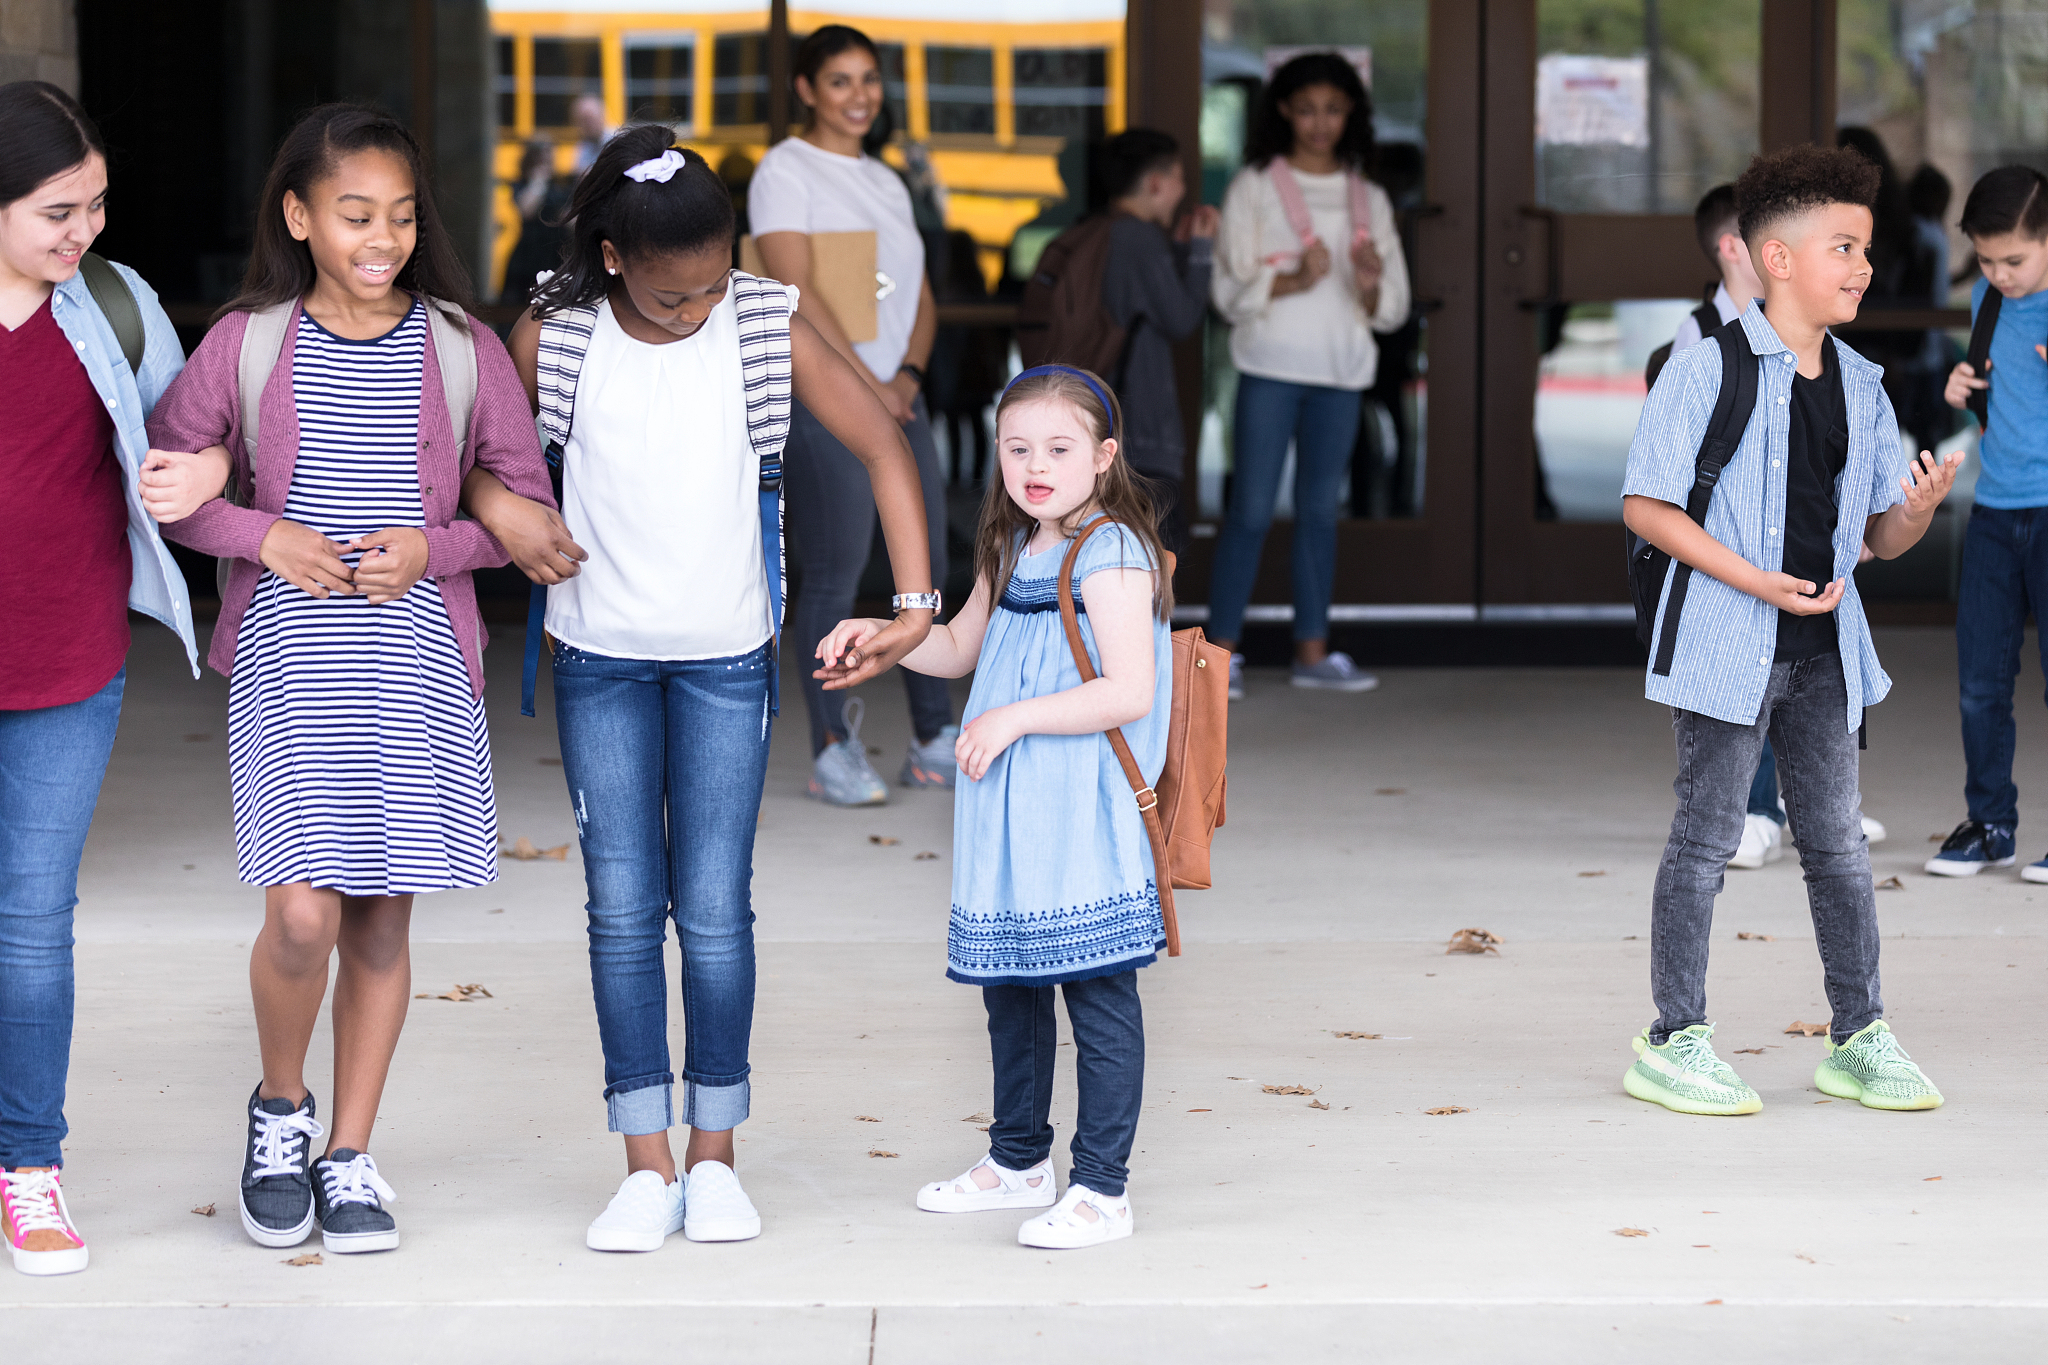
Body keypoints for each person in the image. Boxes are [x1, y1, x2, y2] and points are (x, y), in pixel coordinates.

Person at [460, 128, 936, 1253]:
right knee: (622, 912)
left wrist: (913, 606)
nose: (700, 308)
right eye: (677, 296)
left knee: (715, 913)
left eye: (715, 281)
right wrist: (501, 505)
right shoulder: (556, 328)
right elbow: (465, 450)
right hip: (598, 660)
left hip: (728, 660)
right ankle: (644, 1162)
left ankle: (716, 1156)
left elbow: (881, 444)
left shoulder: (762, 320)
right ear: (615, 257)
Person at [150, 104, 554, 1254]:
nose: (382, 237)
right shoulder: (246, 343)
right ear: (299, 215)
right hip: (288, 661)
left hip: (419, 660)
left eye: (402, 216)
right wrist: (260, 534)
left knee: (379, 917)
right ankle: (280, 1109)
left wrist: (440, 547)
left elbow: (521, 511)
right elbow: (174, 490)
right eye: (355, 214)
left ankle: (351, 1153)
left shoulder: (465, 349)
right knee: (300, 913)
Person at [1620, 144, 1960, 1117]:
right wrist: (1753, 582)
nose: (1860, 266)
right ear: (1774, 259)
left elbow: (1871, 541)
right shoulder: (1702, 369)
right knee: (1704, 839)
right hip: (1727, 646)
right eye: (1841, 246)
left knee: (1835, 851)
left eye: (1863, 247)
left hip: (1823, 654)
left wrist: (1918, 509)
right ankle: (1670, 1036)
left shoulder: (1860, 383)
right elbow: (1646, 507)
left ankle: (1856, 1036)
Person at [815, 365, 1170, 1249]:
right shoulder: (1013, 542)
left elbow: (1129, 690)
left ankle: (1104, 1187)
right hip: (1011, 809)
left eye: (1059, 448)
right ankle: (1018, 1159)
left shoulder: (1114, 550)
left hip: (1078, 810)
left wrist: (1011, 717)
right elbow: (961, 646)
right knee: (1011, 990)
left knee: (1096, 993)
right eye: (1018, 448)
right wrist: (886, 639)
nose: (1035, 466)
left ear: (1105, 456)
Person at [0, 79, 227, 1278]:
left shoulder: (113, 304)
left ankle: (29, 1169)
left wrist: (200, 476)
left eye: (93, 204)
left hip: (66, 660)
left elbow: (202, 431)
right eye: (53, 212)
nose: (80, 231)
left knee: (31, 927)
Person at [749, 23, 955, 804]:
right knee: (837, 567)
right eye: (840, 80)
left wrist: (903, 377)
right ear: (806, 89)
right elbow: (798, 294)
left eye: (869, 78)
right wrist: (866, 385)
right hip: (826, 398)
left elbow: (921, 298)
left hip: (898, 395)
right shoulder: (785, 170)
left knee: (922, 566)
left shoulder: (889, 180)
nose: (859, 95)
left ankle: (934, 738)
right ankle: (832, 746)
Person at [1208, 51, 1410, 700]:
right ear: (1284, 114)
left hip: (1341, 374)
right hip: (1268, 369)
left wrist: (1372, 284)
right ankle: (1221, 653)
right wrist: (1292, 277)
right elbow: (1226, 288)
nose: (1319, 123)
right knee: (1250, 510)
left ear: (1351, 114)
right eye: (1305, 109)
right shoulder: (1254, 187)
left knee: (1321, 512)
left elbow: (1394, 309)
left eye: (1332, 109)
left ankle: (1313, 652)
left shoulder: (1367, 197)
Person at [1927, 166, 2048, 879]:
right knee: (1980, 681)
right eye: (1986, 259)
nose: (1998, 274)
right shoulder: (1986, 301)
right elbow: (1991, 398)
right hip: (1996, 512)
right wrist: (1960, 388)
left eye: (2016, 260)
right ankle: (1989, 822)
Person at [1099, 128, 1216, 555]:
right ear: (1154, 184)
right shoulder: (1139, 239)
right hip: (1141, 427)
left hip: (1110, 416)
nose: (1183, 191)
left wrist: (1180, 253)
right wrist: (1203, 250)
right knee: (1156, 553)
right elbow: (1180, 317)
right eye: (1179, 179)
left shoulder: (1103, 232)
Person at [499, 136, 573, 307]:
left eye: (549, 158)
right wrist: (538, 181)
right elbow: (526, 210)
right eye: (541, 159)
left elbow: (569, 220)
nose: (547, 163)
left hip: (555, 254)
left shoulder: (560, 186)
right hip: (528, 257)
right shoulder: (523, 184)